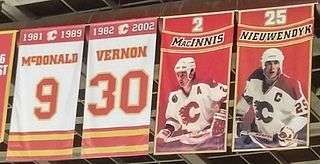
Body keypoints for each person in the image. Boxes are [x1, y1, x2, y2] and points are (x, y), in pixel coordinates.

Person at [235, 48, 308, 149]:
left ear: (280, 64)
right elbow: (245, 101)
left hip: (283, 143)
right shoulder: (255, 76)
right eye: (268, 63)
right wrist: (237, 121)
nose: (272, 67)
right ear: (263, 64)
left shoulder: (291, 85)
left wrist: (289, 130)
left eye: (276, 63)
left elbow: (304, 115)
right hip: (257, 137)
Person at [157, 57, 228, 145]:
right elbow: (173, 119)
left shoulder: (205, 85)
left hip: (210, 137)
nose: (180, 78)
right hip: (187, 141)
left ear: (191, 72)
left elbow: (226, 94)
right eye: (178, 75)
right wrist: (167, 130)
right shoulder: (175, 95)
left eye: (183, 74)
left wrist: (221, 118)